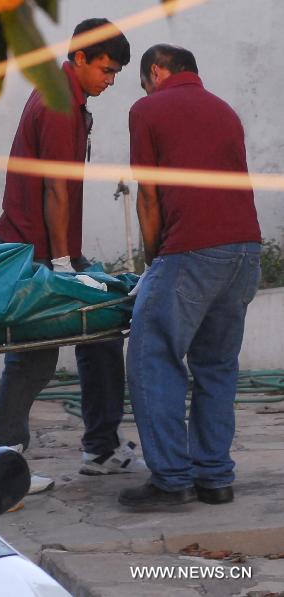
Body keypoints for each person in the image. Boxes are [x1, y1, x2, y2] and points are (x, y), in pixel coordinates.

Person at [0, 18, 144, 493]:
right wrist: (60, 264)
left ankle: (100, 449)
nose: (110, 80)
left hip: (52, 249)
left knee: (100, 330)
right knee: (34, 357)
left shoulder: (68, 99)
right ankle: (1, 463)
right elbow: (55, 190)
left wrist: (72, 260)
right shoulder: (58, 105)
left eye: (116, 72)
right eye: (106, 69)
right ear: (79, 59)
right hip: (33, 252)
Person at [118, 45, 261, 509]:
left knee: (152, 357)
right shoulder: (226, 110)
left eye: (144, 79)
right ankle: (215, 478)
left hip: (190, 251)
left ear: (157, 71)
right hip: (244, 250)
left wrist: (153, 262)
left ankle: (172, 479)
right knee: (216, 366)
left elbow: (148, 196)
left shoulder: (148, 108)